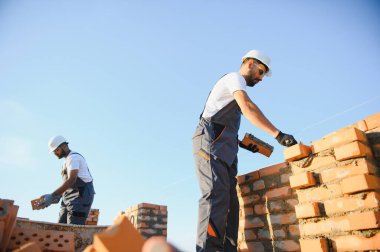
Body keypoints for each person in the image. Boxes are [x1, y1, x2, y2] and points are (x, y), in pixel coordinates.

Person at [192, 50, 297, 251]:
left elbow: (227, 125)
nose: (260, 78)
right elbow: (248, 107)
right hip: (209, 142)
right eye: (260, 71)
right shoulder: (234, 79)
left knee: (231, 204)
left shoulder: (234, 97)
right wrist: (278, 134)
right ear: (249, 63)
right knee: (216, 196)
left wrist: (241, 142)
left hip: (225, 148)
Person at [36, 135, 95, 225]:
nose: (55, 153)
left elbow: (72, 179)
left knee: (72, 228)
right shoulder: (66, 161)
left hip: (80, 198)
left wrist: (52, 195)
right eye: (54, 151)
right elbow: (67, 183)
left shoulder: (73, 158)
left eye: (57, 150)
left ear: (64, 146)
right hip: (68, 198)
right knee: (60, 226)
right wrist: (58, 196)